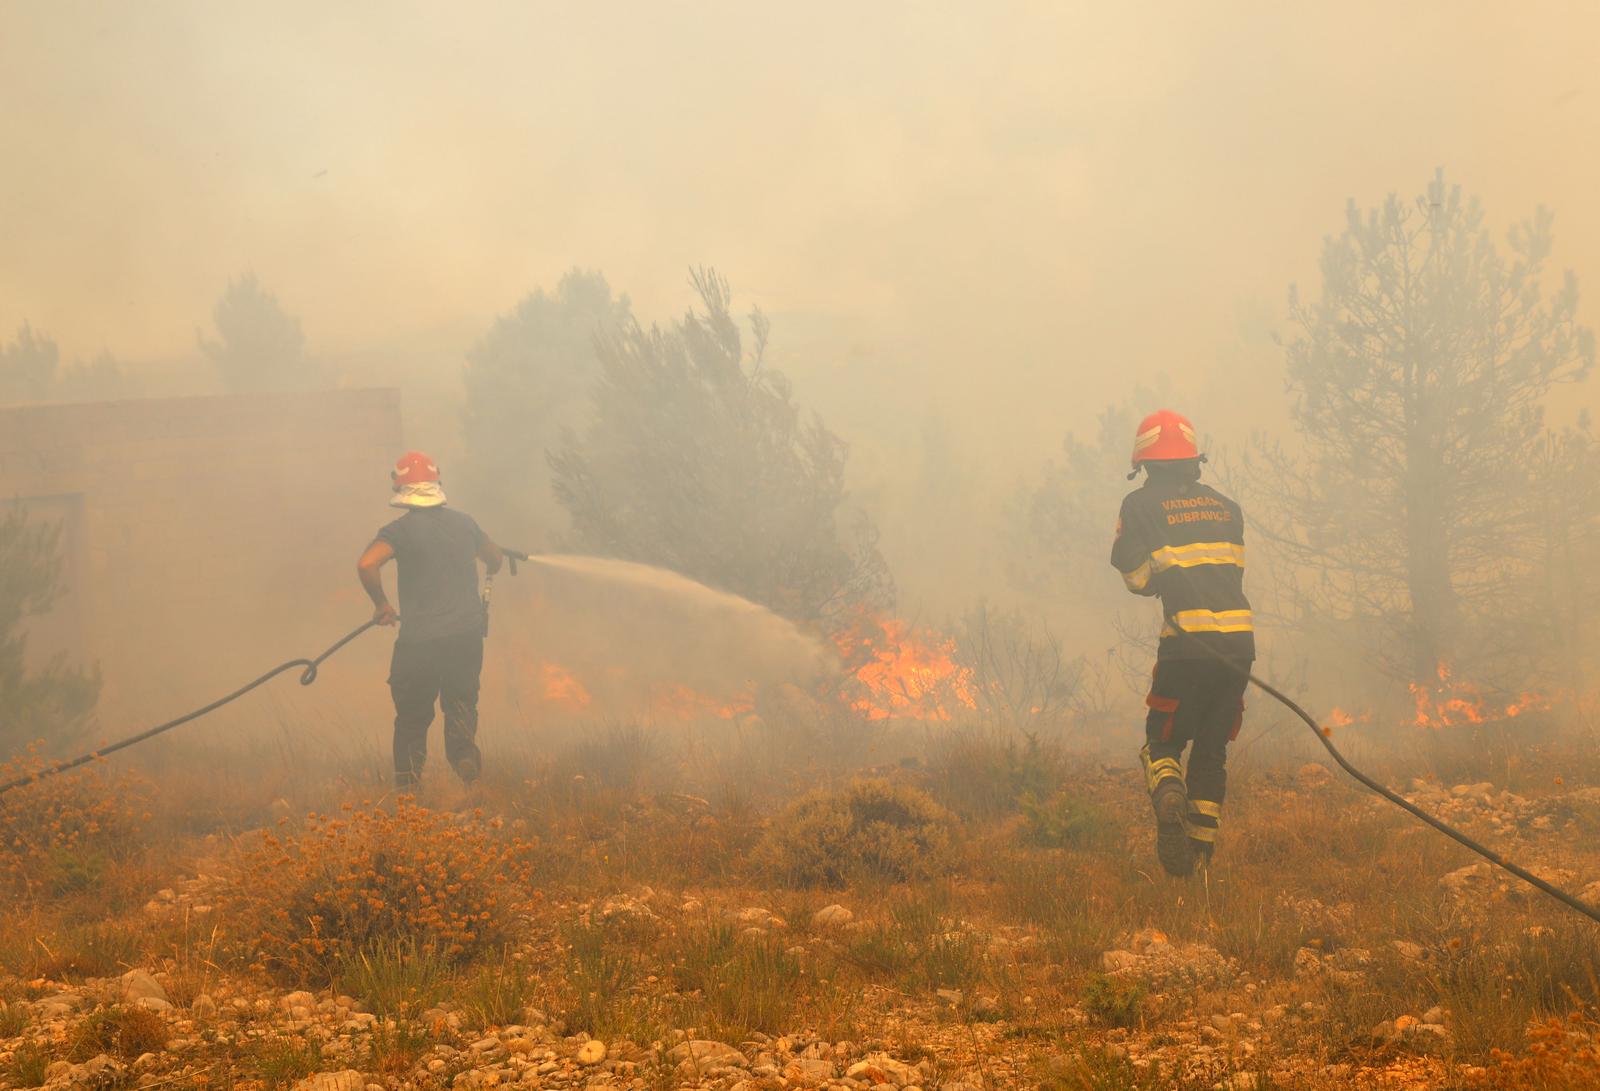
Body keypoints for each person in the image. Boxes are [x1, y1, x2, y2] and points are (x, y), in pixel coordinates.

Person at [1110, 410, 1254, 877]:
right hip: (1238, 646)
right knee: (1212, 752)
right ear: (1193, 459)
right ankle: (1199, 860)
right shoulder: (1227, 507)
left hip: (1187, 645)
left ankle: (1169, 793)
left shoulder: (1139, 505)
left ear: (1145, 463)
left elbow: (1137, 579)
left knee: (1162, 742)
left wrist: (1159, 577)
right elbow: (1228, 574)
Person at [357, 450, 504, 789]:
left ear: (400, 488)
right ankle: (465, 759)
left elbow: (367, 563)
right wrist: (488, 560)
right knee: (461, 704)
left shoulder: (398, 531)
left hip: (419, 642)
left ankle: (408, 789)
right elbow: (494, 558)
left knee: (412, 717)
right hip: (464, 638)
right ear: (437, 484)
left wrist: (381, 604)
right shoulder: (465, 524)